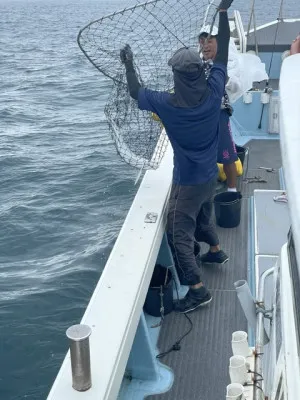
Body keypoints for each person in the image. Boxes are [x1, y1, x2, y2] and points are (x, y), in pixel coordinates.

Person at [120, 0, 232, 313]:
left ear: (177, 76)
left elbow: (134, 92)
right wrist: (222, 13)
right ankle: (216, 250)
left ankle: (197, 290)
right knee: (203, 211)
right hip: (210, 175)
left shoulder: (166, 104)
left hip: (188, 182)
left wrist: (129, 63)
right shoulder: (214, 90)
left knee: (176, 229)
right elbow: (222, 51)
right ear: (200, 70)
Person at [198, 26, 239, 193]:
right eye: (202, 41)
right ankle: (206, 187)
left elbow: (236, 86)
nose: (205, 45)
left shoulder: (227, 63)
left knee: (227, 154)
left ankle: (232, 189)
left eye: (210, 41)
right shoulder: (198, 64)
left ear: (218, 43)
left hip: (220, 114)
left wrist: (225, 77)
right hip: (201, 117)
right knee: (203, 155)